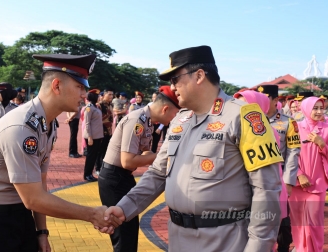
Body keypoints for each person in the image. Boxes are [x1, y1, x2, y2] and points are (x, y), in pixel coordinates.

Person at [104, 46, 283, 252]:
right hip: (178, 237)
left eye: (175, 79)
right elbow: (157, 173)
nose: (172, 88)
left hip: (225, 240)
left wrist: (258, 247)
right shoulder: (181, 119)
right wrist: (124, 208)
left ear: (199, 76)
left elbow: (267, 190)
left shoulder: (244, 116)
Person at [0, 53, 121, 252]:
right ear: (56, 86)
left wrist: (41, 232)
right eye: (80, 87)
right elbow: (34, 198)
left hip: (21, 214)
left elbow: (41, 182)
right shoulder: (21, 126)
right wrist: (91, 214)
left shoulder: (48, 123)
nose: (84, 94)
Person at [99, 85, 180, 251]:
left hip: (123, 178)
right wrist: (163, 156)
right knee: (123, 237)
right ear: (165, 109)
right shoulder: (137, 119)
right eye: (175, 114)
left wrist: (159, 160)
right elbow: (127, 161)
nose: (175, 119)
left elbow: (145, 150)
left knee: (129, 233)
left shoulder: (147, 120)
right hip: (114, 179)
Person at [255, 85, 301, 252]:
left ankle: (283, 246)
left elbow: (293, 152)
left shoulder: (289, 122)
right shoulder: (252, 120)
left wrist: (288, 181)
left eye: (265, 98)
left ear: (275, 100)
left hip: (279, 175)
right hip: (255, 176)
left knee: (282, 217)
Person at [288, 97, 328, 252]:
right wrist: (299, 174)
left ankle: (314, 249)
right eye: (315, 108)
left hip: (317, 183)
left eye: (321, 108)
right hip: (297, 183)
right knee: (297, 222)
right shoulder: (295, 128)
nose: (319, 112)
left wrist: (322, 144)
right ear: (306, 108)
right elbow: (287, 154)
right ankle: (301, 248)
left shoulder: (326, 128)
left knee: (314, 221)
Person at [83, 89, 103, 182]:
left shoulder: (96, 107)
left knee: (94, 156)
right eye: (97, 96)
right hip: (92, 136)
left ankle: (90, 173)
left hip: (97, 136)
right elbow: (87, 123)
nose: (99, 98)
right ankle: (87, 174)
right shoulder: (89, 107)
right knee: (90, 156)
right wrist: (90, 137)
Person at [95, 88, 114, 174]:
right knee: (99, 150)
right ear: (104, 95)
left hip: (109, 131)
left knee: (106, 150)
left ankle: (103, 167)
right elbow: (98, 119)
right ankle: (97, 168)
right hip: (101, 131)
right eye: (109, 94)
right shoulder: (99, 105)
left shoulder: (110, 105)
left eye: (112, 95)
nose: (111, 96)